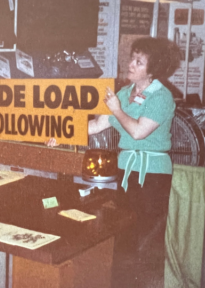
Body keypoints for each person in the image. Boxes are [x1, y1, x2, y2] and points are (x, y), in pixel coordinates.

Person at [46, 36, 181, 288]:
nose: (130, 64)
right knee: (123, 236)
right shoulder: (124, 93)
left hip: (152, 175)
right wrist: (63, 134)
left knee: (144, 239)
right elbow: (97, 125)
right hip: (127, 171)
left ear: (152, 70)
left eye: (138, 61)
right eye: (132, 58)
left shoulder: (162, 97)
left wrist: (118, 109)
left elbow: (139, 132)